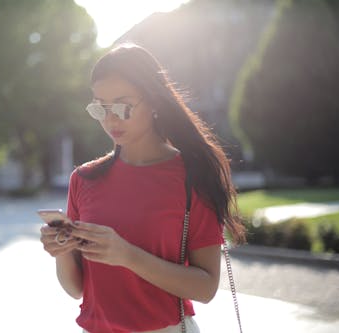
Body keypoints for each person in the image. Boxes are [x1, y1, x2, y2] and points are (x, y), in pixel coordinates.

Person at [40, 44, 246, 333]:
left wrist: (127, 255)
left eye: (122, 106)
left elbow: (206, 287)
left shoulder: (192, 175)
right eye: (100, 107)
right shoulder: (83, 179)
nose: (110, 119)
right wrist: (60, 250)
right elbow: (76, 288)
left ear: (153, 102)